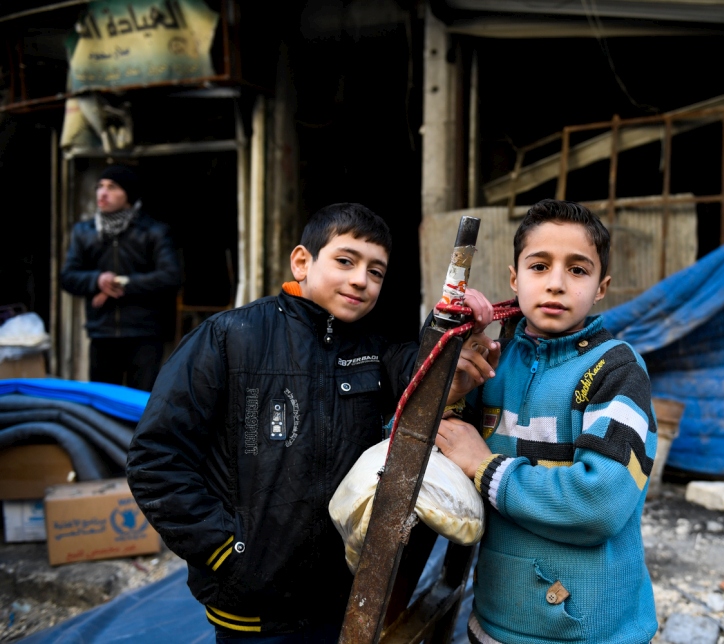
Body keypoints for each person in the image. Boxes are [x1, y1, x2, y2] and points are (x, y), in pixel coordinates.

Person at [126, 203, 497, 642]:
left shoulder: (375, 348)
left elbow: (422, 377)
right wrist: (229, 551)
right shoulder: (230, 338)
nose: (361, 279)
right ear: (302, 262)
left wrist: (452, 331)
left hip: (343, 597)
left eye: (376, 272)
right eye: (345, 261)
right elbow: (155, 459)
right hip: (252, 603)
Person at [435, 199, 660, 644]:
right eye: (539, 267)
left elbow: (599, 505)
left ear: (601, 287)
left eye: (578, 270)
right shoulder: (492, 362)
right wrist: (451, 389)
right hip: (494, 623)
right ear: (514, 278)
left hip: (595, 632)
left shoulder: (615, 370)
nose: (556, 283)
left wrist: (485, 467)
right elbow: (405, 458)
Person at [60, 165, 180, 391]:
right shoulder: (84, 232)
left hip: (144, 332)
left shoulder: (153, 231)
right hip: (102, 332)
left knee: (141, 405)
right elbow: (68, 277)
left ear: (128, 195)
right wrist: (97, 280)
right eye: (100, 186)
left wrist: (120, 284)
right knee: (103, 405)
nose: (102, 193)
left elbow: (171, 276)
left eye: (112, 187)